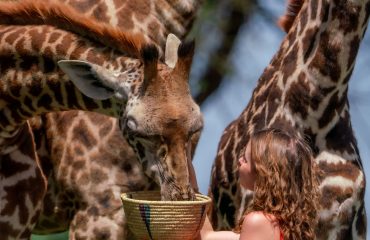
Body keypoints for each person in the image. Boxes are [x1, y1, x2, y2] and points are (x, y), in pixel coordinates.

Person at [197, 128, 319, 240]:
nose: (239, 161)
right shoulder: (287, 226)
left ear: (264, 173)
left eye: (245, 159)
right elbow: (207, 236)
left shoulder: (258, 222)